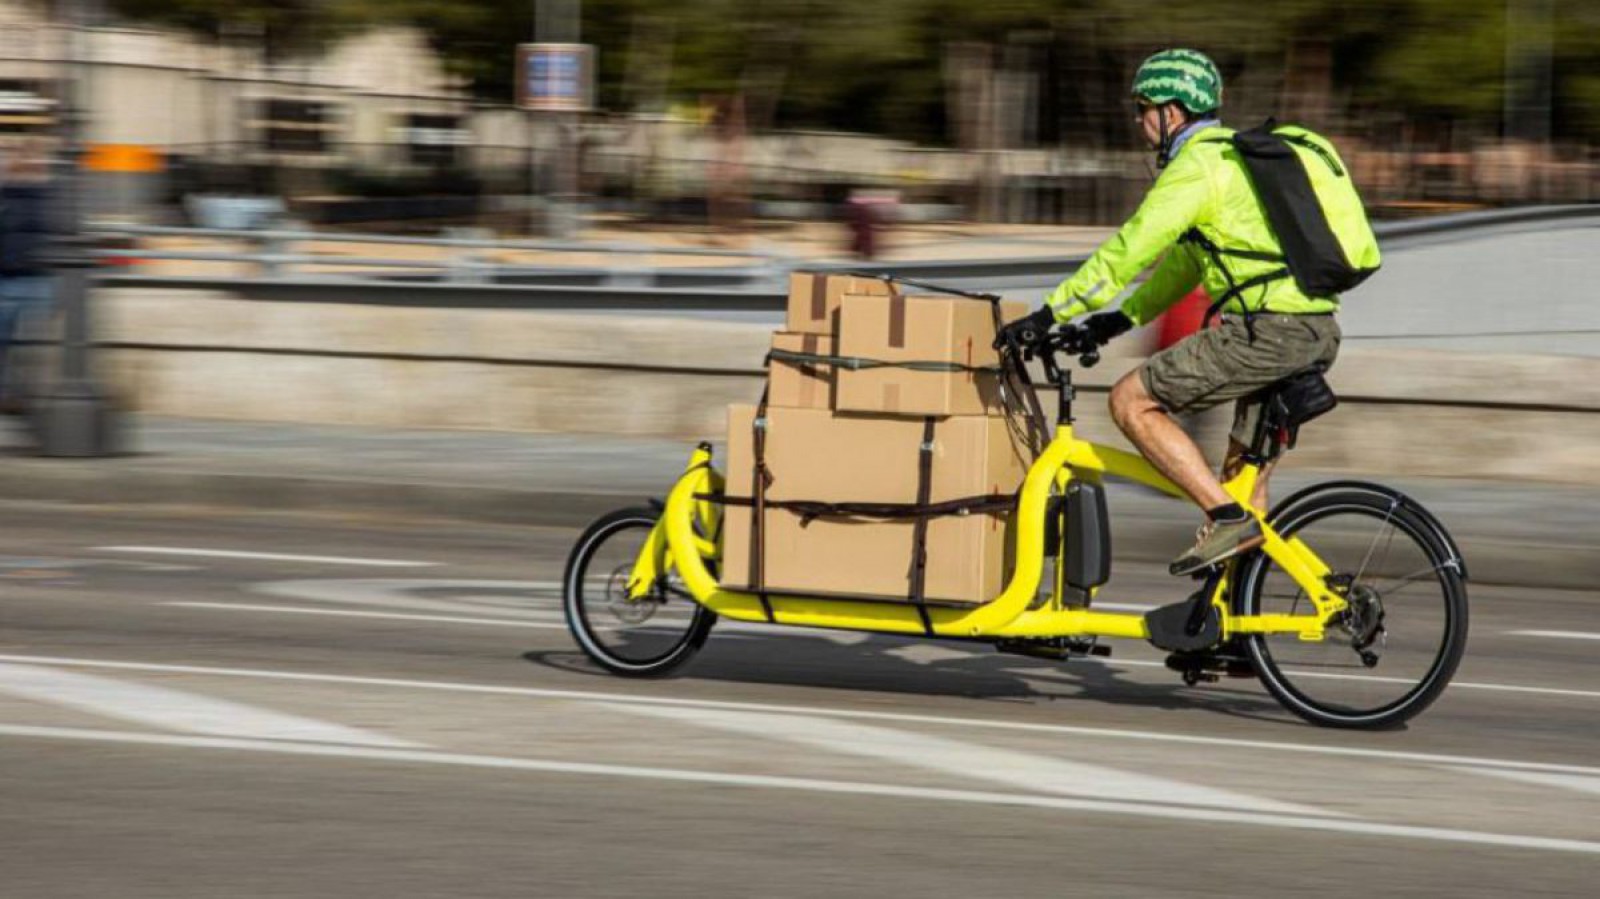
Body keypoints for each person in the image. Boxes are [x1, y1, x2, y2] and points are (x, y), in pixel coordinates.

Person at [1000, 48, 1355, 577]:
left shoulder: (1197, 167)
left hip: (1267, 333)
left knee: (1130, 401)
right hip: (1312, 330)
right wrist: (1119, 319)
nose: (1140, 123)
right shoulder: (1232, 162)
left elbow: (1129, 249)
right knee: (1243, 482)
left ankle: (1226, 520)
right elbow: (1188, 262)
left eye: (1145, 109)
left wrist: (1050, 313)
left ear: (1172, 112)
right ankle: (1237, 637)